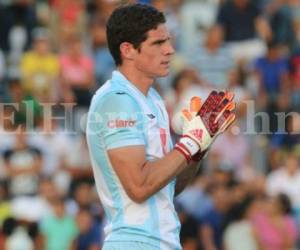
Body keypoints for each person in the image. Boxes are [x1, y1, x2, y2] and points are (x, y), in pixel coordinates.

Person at [86, 3, 235, 250]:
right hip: (133, 242)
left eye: (169, 41)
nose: (170, 50)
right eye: (158, 43)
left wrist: (200, 144)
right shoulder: (117, 99)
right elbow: (140, 187)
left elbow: (169, 186)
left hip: (162, 242)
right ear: (128, 50)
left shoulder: (153, 100)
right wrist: (190, 143)